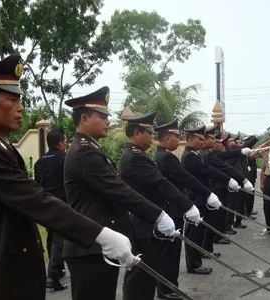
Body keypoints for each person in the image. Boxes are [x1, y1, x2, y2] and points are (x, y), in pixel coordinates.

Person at [0, 54, 137, 300]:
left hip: (9, 275)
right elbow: (36, 200)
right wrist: (100, 234)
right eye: (12, 99)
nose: (20, 108)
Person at [63, 86, 176, 300]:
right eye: (102, 116)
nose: (108, 121)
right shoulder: (83, 152)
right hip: (90, 246)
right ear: (85, 118)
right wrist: (158, 215)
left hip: (97, 244)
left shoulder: (90, 148)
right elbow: (119, 190)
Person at [119, 113, 204, 300]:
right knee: (140, 276)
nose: (152, 137)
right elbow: (161, 183)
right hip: (144, 223)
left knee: (147, 274)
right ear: (137, 133)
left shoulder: (138, 155)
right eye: (148, 132)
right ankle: (165, 291)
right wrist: (188, 205)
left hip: (149, 220)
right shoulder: (134, 158)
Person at [153, 119, 220, 300]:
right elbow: (185, 179)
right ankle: (166, 289)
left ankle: (169, 286)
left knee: (171, 251)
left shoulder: (163, 155)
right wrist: (204, 196)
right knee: (170, 252)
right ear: (167, 138)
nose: (178, 140)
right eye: (176, 137)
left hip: (174, 207)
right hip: (172, 208)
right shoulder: (166, 158)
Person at [181, 125, 240, 275]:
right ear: (190, 139)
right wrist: (228, 180)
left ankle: (198, 259)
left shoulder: (194, 154)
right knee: (193, 234)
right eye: (200, 139)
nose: (202, 142)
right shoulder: (189, 156)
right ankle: (193, 265)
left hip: (201, 198)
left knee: (199, 232)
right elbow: (208, 171)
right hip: (195, 199)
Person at [34, 128, 69, 291]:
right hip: (61, 204)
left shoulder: (39, 163)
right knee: (59, 239)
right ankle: (53, 274)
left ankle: (58, 269)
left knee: (52, 237)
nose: (66, 144)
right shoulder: (65, 158)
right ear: (60, 143)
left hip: (45, 204)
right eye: (66, 141)